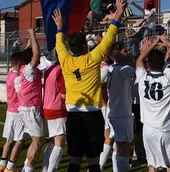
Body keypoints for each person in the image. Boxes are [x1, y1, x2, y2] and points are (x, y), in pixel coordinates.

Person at [52, 0, 126, 171]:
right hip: (92, 115)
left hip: (73, 116)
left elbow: (59, 44)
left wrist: (59, 27)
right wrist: (119, 12)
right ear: (85, 46)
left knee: (75, 160)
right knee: (93, 161)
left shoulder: (65, 60)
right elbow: (109, 37)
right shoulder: (92, 59)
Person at [135, 36, 170, 172]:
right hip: (165, 129)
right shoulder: (169, 77)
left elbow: (139, 60)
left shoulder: (142, 77)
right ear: (163, 65)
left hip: (148, 129)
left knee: (153, 165)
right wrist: (169, 44)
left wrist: (152, 46)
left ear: (148, 64)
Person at [107, 42, 135, 172]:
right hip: (122, 114)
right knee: (125, 147)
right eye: (125, 50)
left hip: (115, 112)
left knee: (119, 146)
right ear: (116, 53)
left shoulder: (110, 68)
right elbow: (138, 68)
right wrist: (128, 59)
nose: (128, 52)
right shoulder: (123, 70)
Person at [18, 29, 43, 172]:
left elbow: (29, 52)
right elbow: (36, 53)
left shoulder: (24, 67)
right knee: (38, 142)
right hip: (30, 109)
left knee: (35, 142)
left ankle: (26, 168)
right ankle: (28, 169)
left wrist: (29, 38)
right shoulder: (29, 69)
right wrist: (33, 35)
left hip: (27, 108)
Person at [0, 52, 25, 172]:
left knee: (9, 140)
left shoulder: (9, 74)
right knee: (20, 140)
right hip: (18, 113)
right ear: (19, 63)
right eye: (22, 62)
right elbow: (20, 94)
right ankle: (10, 167)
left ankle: (1, 166)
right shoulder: (17, 77)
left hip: (10, 111)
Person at [41, 52, 67, 172]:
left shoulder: (49, 68)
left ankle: (45, 169)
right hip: (57, 109)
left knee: (52, 141)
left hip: (47, 108)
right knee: (59, 142)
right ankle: (50, 170)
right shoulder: (60, 71)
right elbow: (64, 95)